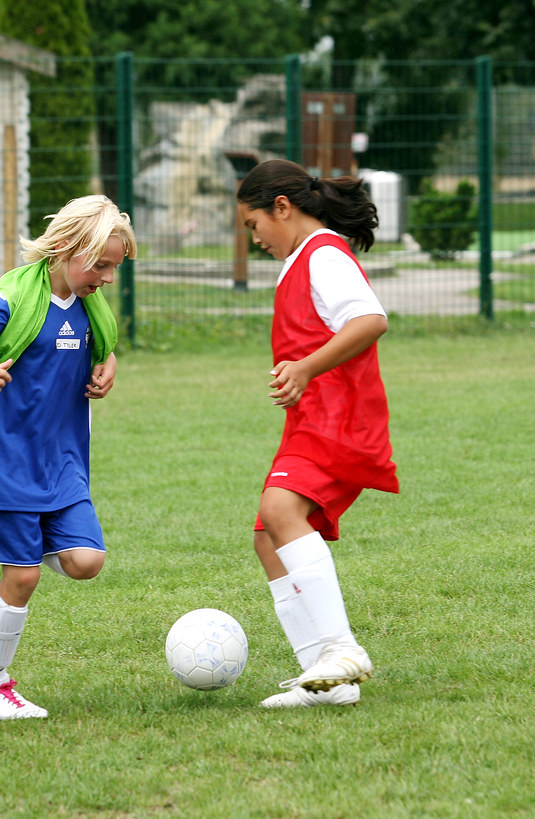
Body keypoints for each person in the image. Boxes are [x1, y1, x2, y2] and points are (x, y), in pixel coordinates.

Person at [0, 195, 136, 719]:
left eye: (115, 268)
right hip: (4, 458)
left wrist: (109, 364)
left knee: (86, 561)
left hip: (63, 462)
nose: (108, 278)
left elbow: (99, 346)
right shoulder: (15, 297)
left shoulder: (92, 309)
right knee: (24, 576)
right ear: (68, 248)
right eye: (101, 265)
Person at [235, 158, 399, 709]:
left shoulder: (324, 254)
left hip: (339, 420)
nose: (254, 238)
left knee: (280, 511)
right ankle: (325, 680)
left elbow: (371, 320)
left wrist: (305, 368)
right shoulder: (301, 260)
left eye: (254, 224)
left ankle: (342, 648)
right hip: (312, 422)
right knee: (268, 536)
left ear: (282, 208)